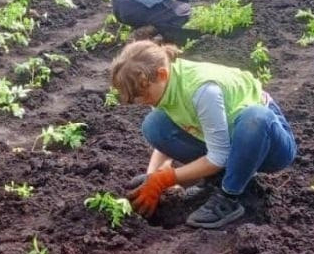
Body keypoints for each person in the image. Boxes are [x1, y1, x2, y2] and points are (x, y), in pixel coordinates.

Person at [113, 39, 297, 230]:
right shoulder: (163, 87)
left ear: (162, 74)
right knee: (155, 124)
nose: (142, 101)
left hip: (269, 147)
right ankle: (217, 179)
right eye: (137, 98)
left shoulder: (203, 91)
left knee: (256, 118)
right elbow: (173, 130)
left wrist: (165, 179)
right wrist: (152, 177)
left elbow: (218, 156)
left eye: (143, 94)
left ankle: (229, 197)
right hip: (230, 142)